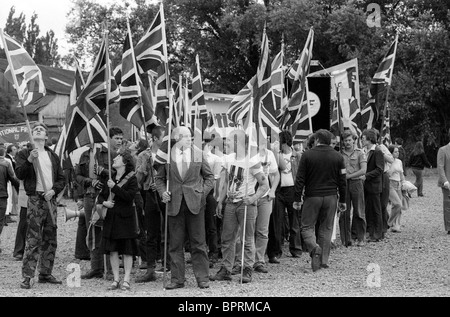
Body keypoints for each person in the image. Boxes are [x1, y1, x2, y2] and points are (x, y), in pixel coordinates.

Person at [155, 126, 214, 290]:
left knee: (199, 243)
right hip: (174, 204)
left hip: (195, 204)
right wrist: (162, 193)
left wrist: (201, 193)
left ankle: (203, 278)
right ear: (176, 138)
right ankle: (177, 279)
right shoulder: (167, 156)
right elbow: (159, 179)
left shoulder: (198, 153)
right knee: (175, 244)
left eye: (190, 136)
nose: (190, 139)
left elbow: (210, 178)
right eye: (186, 137)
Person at [210, 129, 269, 284]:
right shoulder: (228, 159)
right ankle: (226, 269)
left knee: (247, 238)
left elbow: (265, 184)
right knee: (227, 237)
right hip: (230, 203)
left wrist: (253, 198)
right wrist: (220, 201)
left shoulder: (252, 161)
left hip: (246, 204)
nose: (226, 142)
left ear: (237, 142)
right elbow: (227, 183)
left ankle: (248, 268)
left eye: (229, 140)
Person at [15, 122, 66, 289]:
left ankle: (45, 272)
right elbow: (19, 174)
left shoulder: (53, 156)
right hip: (35, 200)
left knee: (50, 237)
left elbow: (61, 179)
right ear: (32, 134)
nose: (38, 130)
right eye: (35, 128)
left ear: (45, 136)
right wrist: (30, 160)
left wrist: (53, 190)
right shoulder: (24, 153)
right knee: (33, 238)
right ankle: (27, 276)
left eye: (41, 129)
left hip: (49, 199)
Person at [293, 129, 346, 272]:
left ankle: (314, 248)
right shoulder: (338, 157)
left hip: (312, 197)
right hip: (331, 197)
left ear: (316, 140)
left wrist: (297, 198)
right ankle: (323, 260)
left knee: (307, 227)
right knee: (327, 228)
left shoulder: (307, 155)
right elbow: (343, 181)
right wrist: (343, 200)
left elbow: (300, 179)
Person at [233, 134, 279, 274]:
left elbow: (276, 174)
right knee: (243, 232)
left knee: (262, 231)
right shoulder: (246, 156)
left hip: (264, 197)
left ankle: (259, 261)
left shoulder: (269, 154)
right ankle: (239, 261)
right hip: (247, 196)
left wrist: (273, 190)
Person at [99, 150, 140, 291]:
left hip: (126, 218)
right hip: (111, 218)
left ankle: (127, 279)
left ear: (125, 162)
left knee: (127, 250)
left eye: (118, 157)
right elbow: (101, 197)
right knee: (113, 250)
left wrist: (114, 187)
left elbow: (129, 197)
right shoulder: (109, 177)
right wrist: (105, 203)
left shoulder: (132, 178)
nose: (114, 159)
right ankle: (116, 279)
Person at [135, 126, 169, 283]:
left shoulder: (168, 154)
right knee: (151, 231)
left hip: (166, 195)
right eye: (163, 137)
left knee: (168, 229)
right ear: (155, 138)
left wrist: (163, 186)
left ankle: (168, 263)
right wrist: (145, 168)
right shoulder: (143, 155)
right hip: (149, 194)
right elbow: (138, 180)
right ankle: (150, 268)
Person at [268, 130, 302, 265]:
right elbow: (278, 168)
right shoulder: (276, 155)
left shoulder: (297, 155)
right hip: (279, 190)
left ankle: (296, 248)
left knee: (294, 221)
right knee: (278, 221)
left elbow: (300, 174)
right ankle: (276, 250)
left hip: (293, 190)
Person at [340, 131, 367, 247]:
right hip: (344, 185)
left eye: (349, 140)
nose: (347, 143)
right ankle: (346, 239)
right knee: (344, 211)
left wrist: (349, 176)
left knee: (359, 211)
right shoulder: (340, 154)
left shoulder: (360, 153)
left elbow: (363, 170)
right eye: (345, 140)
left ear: (354, 140)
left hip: (356, 183)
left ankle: (361, 238)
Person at [202, 133, 222, 268]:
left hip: (209, 194)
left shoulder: (215, 159)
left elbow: (216, 179)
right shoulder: (195, 156)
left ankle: (213, 252)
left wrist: (216, 197)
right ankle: (201, 252)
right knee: (199, 225)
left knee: (211, 225)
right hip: (197, 193)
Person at [361, 129, 384, 242]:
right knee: (368, 209)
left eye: (363, 138)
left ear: (370, 139)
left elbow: (379, 169)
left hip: (374, 185)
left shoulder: (377, 151)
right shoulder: (365, 151)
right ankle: (370, 231)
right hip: (366, 186)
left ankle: (378, 233)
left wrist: (366, 175)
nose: (362, 140)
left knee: (376, 209)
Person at [0, 147, 20, 253]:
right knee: (0, 220)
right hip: (2, 195)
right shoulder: (6, 164)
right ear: (3, 153)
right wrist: (20, 189)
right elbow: (13, 179)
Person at [387, 145, 405, 233]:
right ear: (391, 153)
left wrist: (404, 183)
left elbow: (402, 174)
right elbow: (387, 174)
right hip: (390, 183)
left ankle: (396, 225)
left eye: (398, 151)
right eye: (395, 152)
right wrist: (392, 170)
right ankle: (389, 223)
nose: (397, 153)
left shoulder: (399, 161)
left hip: (398, 183)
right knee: (398, 204)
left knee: (399, 207)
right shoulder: (388, 162)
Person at [437, 130, 450, 234]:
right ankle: (449, 227)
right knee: (448, 206)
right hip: (447, 183)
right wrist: (445, 181)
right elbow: (440, 167)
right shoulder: (443, 150)